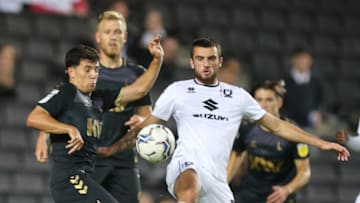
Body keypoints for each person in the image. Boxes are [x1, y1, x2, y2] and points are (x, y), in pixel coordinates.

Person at [99, 38, 349, 203]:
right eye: (200, 58)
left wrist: (322, 143)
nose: (205, 64)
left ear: (219, 62)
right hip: (186, 164)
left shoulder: (239, 97)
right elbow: (148, 124)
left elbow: (278, 125)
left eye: (210, 59)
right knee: (188, 192)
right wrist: (114, 147)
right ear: (191, 61)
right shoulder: (177, 90)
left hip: (217, 180)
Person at [34, 11, 164, 203]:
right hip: (89, 160)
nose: (113, 37)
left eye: (118, 32)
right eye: (107, 32)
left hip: (123, 160)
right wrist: (43, 136)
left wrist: (142, 122)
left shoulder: (137, 73)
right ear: (97, 37)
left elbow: (146, 116)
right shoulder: (84, 74)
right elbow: (57, 106)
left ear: (125, 37)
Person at [227, 80, 311, 203]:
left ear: (279, 102)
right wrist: (223, 184)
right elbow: (237, 155)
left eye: (269, 100)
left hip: (279, 197)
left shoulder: (294, 133)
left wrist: (287, 189)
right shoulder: (246, 127)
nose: (263, 105)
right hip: (250, 194)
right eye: (259, 100)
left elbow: (305, 172)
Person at [282, 48, 324, 129]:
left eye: (305, 58)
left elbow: (321, 100)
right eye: (299, 58)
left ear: (311, 60)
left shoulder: (316, 80)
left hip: (311, 123)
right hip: (290, 123)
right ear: (293, 60)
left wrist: (318, 113)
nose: (302, 62)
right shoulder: (285, 81)